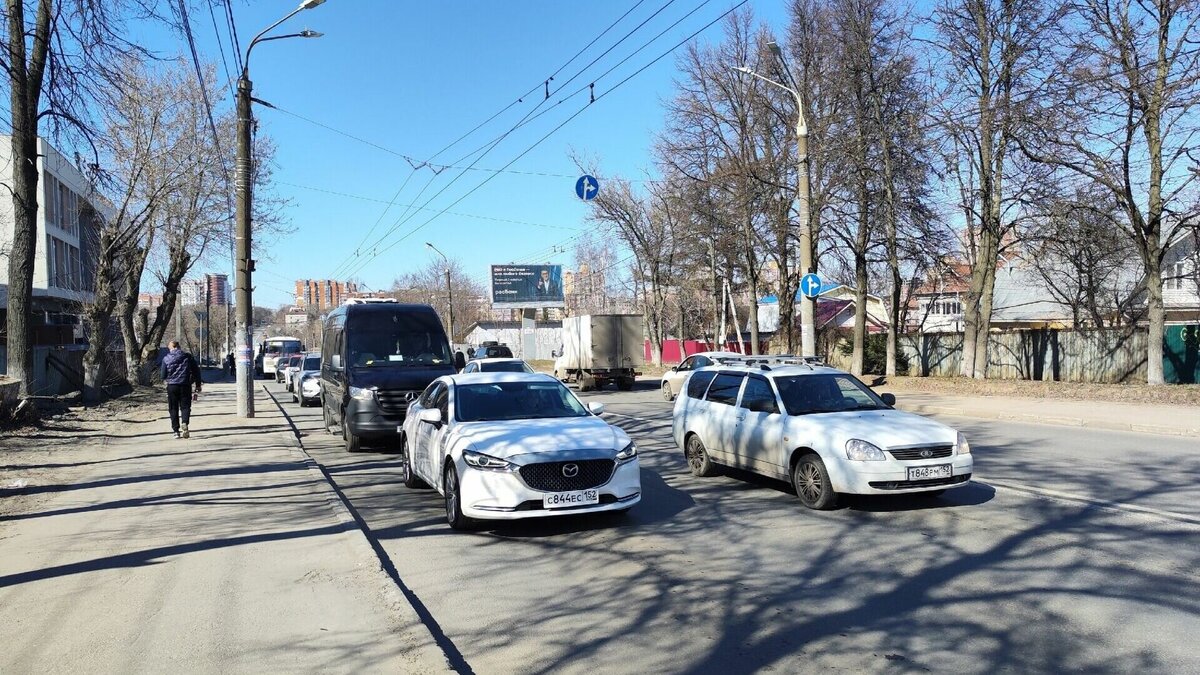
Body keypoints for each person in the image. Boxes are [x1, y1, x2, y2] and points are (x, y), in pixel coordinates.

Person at [161, 341, 202, 439]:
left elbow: (163, 375)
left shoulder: (166, 358)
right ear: (179, 347)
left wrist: (167, 380)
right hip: (185, 385)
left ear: (170, 348)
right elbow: (196, 371)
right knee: (185, 407)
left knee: (173, 408)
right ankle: (185, 423)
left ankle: (176, 431)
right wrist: (198, 385)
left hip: (172, 386)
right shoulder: (187, 357)